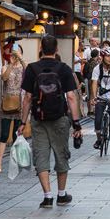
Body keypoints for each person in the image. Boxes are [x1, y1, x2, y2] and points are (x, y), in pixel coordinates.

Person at [21, 35, 82, 207]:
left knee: (41, 155)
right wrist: (76, 123)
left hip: (38, 119)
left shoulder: (32, 69)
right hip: (59, 118)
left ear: (41, 48)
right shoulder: (63, 69)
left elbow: (27, 97)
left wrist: (22, 122)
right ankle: (61, 194)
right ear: (56, 49)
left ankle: (47, 196)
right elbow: (71, 97)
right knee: (61, 154)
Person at [0, 45, 25, 173]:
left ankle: (16, 161)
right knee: (4, 134)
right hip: (7, 103)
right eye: (13, 54)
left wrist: (21, 59)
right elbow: (4, 78)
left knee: (17, 134)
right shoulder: (5, 67)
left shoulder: (24, 67)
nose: (15, 56)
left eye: (17, 53)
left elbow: (29, 72)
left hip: (20, 103)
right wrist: (11, 65)